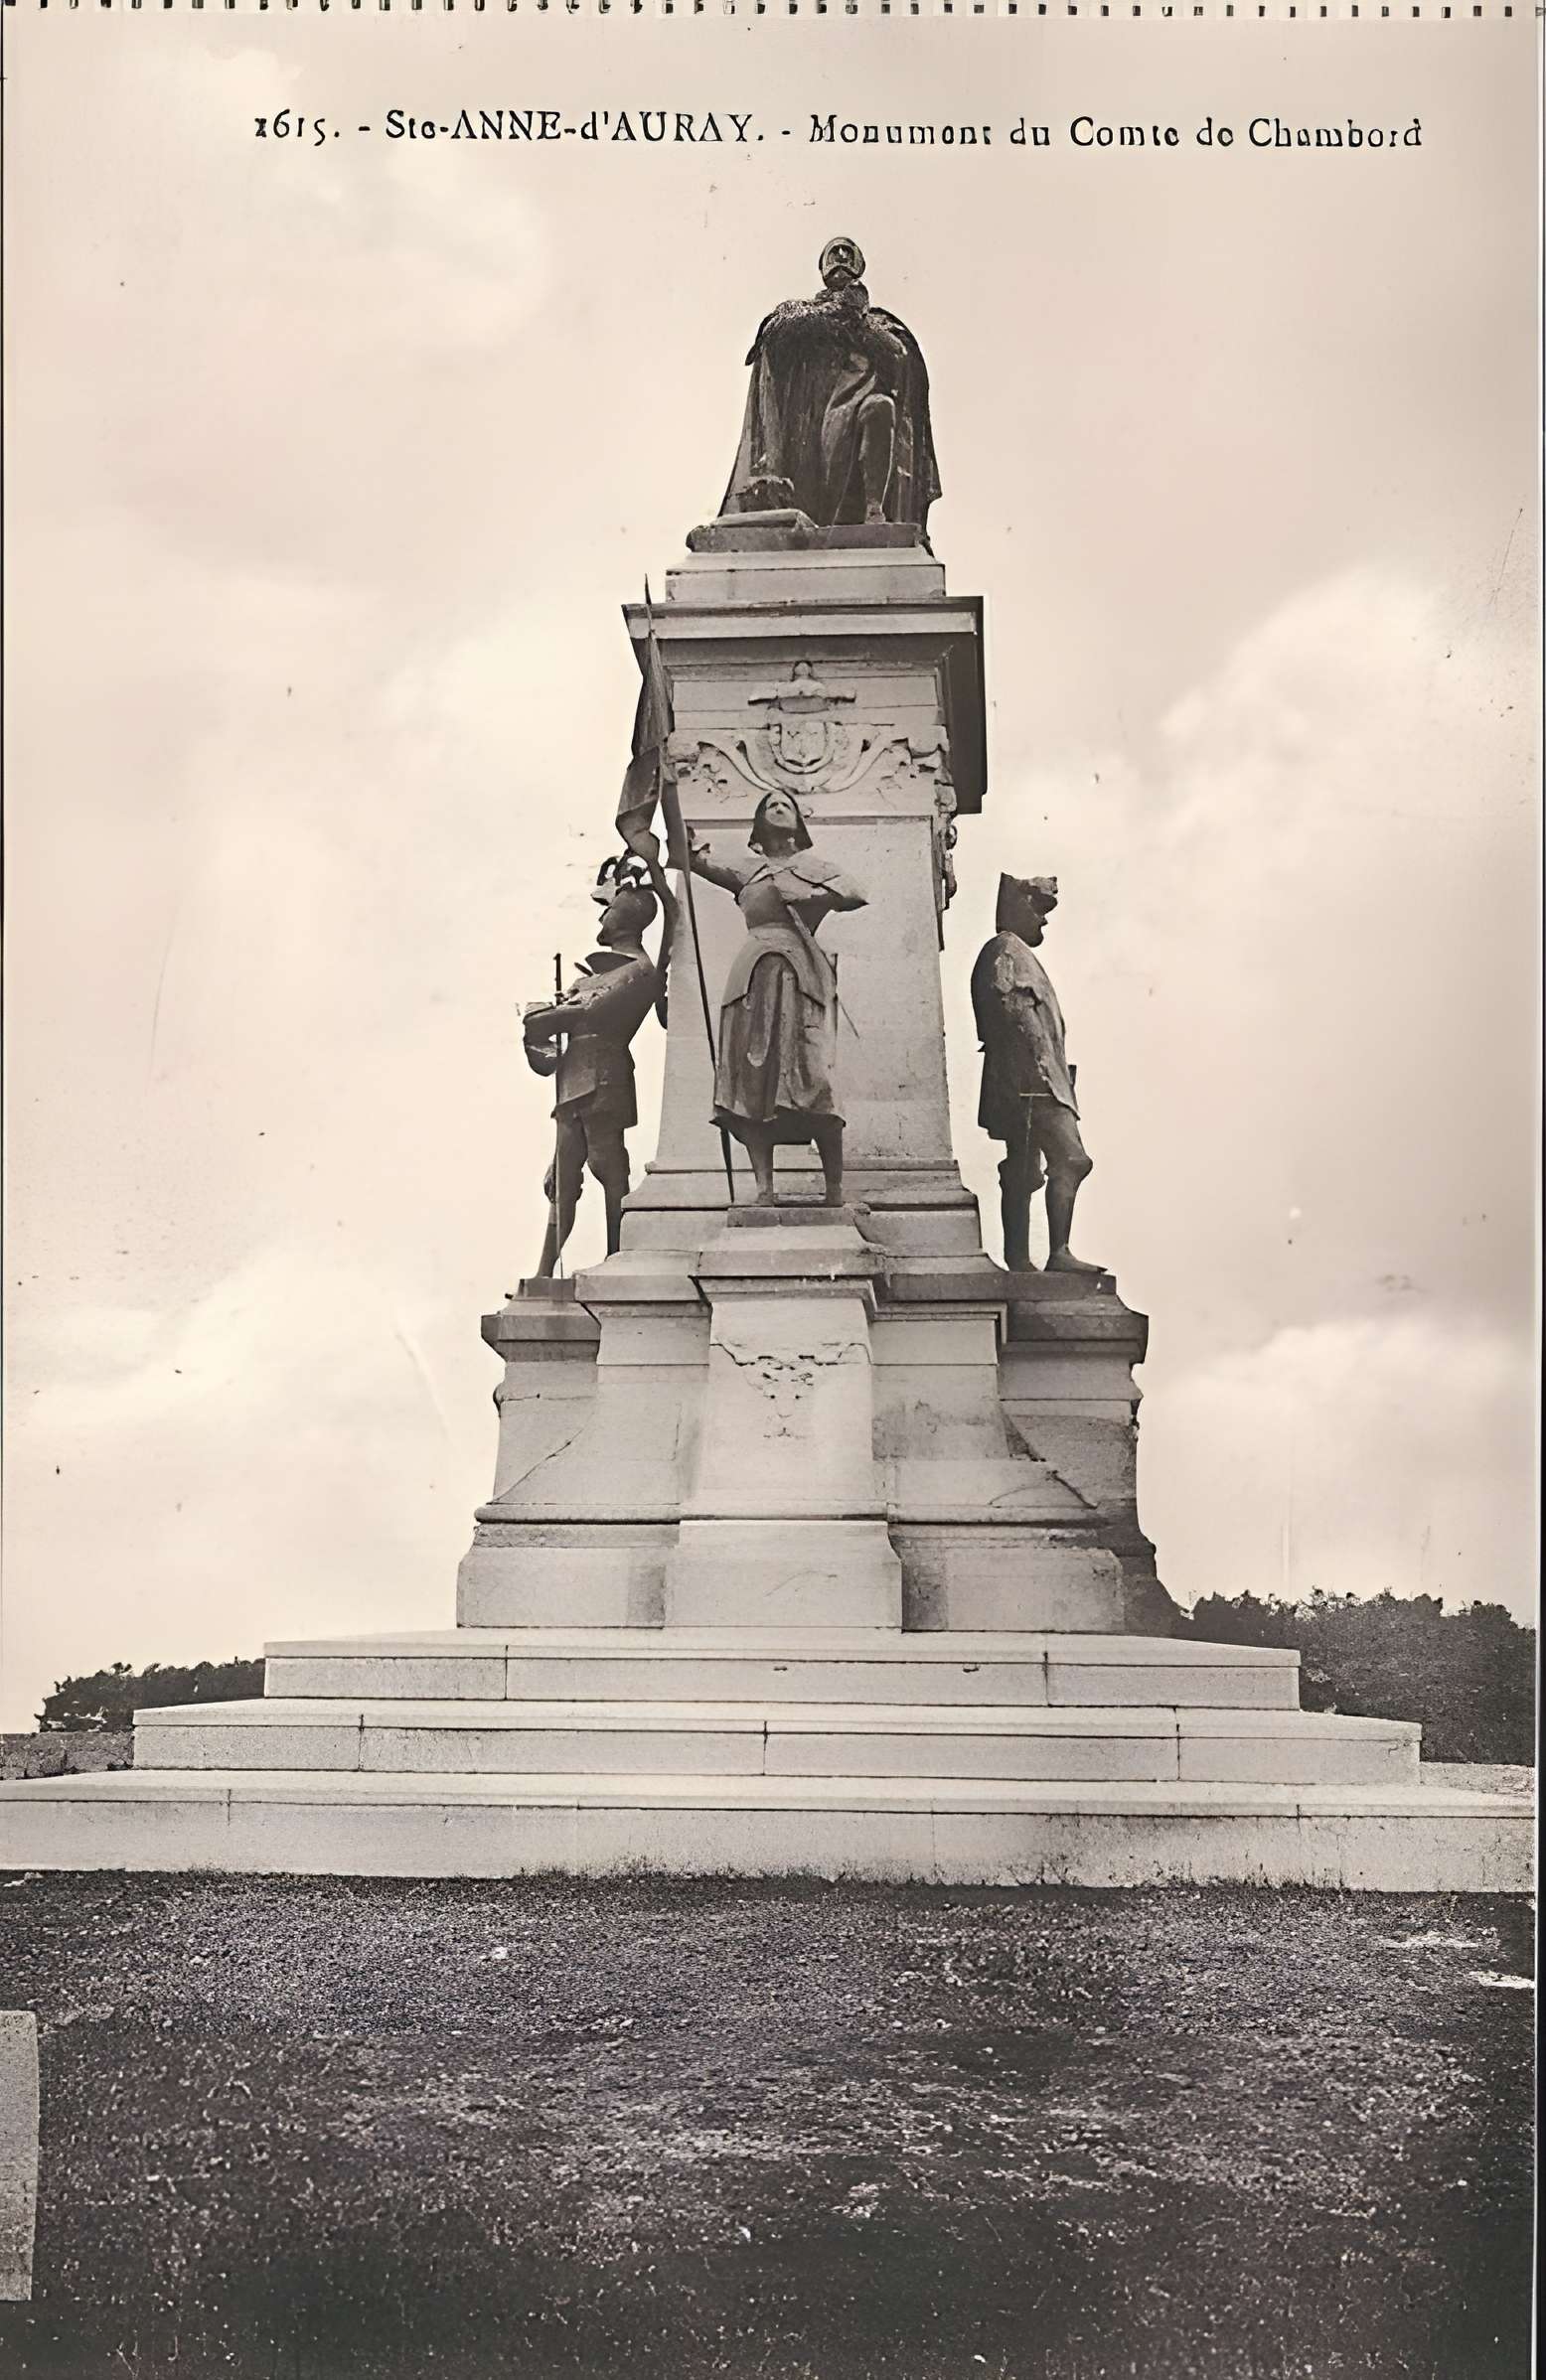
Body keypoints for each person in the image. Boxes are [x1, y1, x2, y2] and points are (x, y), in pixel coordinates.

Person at [688, 791, 867, 1207]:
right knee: (754, 1084)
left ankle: (834, 1191)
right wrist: (683, 835)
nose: (778, 807)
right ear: (759, 821)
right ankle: (764, 1190)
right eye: (770, 805)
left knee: (815, 1080)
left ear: (799, 823)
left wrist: (807, 894)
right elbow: (695, 861)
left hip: (801, 976)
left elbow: (855, 894)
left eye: (786, 803)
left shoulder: (815, 868)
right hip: (752, 978)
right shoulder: (748, 871)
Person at [720, 236, 941, 533]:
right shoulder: (798, 311)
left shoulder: (879, 322)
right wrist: (839, 313)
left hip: (860, 408)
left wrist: (860, 323)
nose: (839, 256)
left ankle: (875, 509)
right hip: (815, 417)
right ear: (822, 267)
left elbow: (900, 361)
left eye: (847, 252)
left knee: (881, 407)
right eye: (833, 252)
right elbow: (774, 335)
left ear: (859, 265)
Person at [522, 858, 676, 1275]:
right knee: (563, 1181)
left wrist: (546, 1017)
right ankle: (542, 1273)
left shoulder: (638, 970)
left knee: (607, 1166)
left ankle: (616, 1257)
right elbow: (547, 1042)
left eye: (609, 906)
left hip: (605, 1073)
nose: (602, 913)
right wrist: (541, 1027)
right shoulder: (596, 974)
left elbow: (583, 1014)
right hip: (575, 1077)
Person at [970, 873, 1104, 1275]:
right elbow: (1012, 1014)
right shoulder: (1006, 949)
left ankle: (1020, 1259)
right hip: (1034, 1082)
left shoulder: (1012, 951)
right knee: (1072, 1159)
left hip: (1030, 1078)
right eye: (1038, 911)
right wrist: (1039, 1075)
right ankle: (1057, 1251)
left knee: (1023, 1167)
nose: (1042, 922)